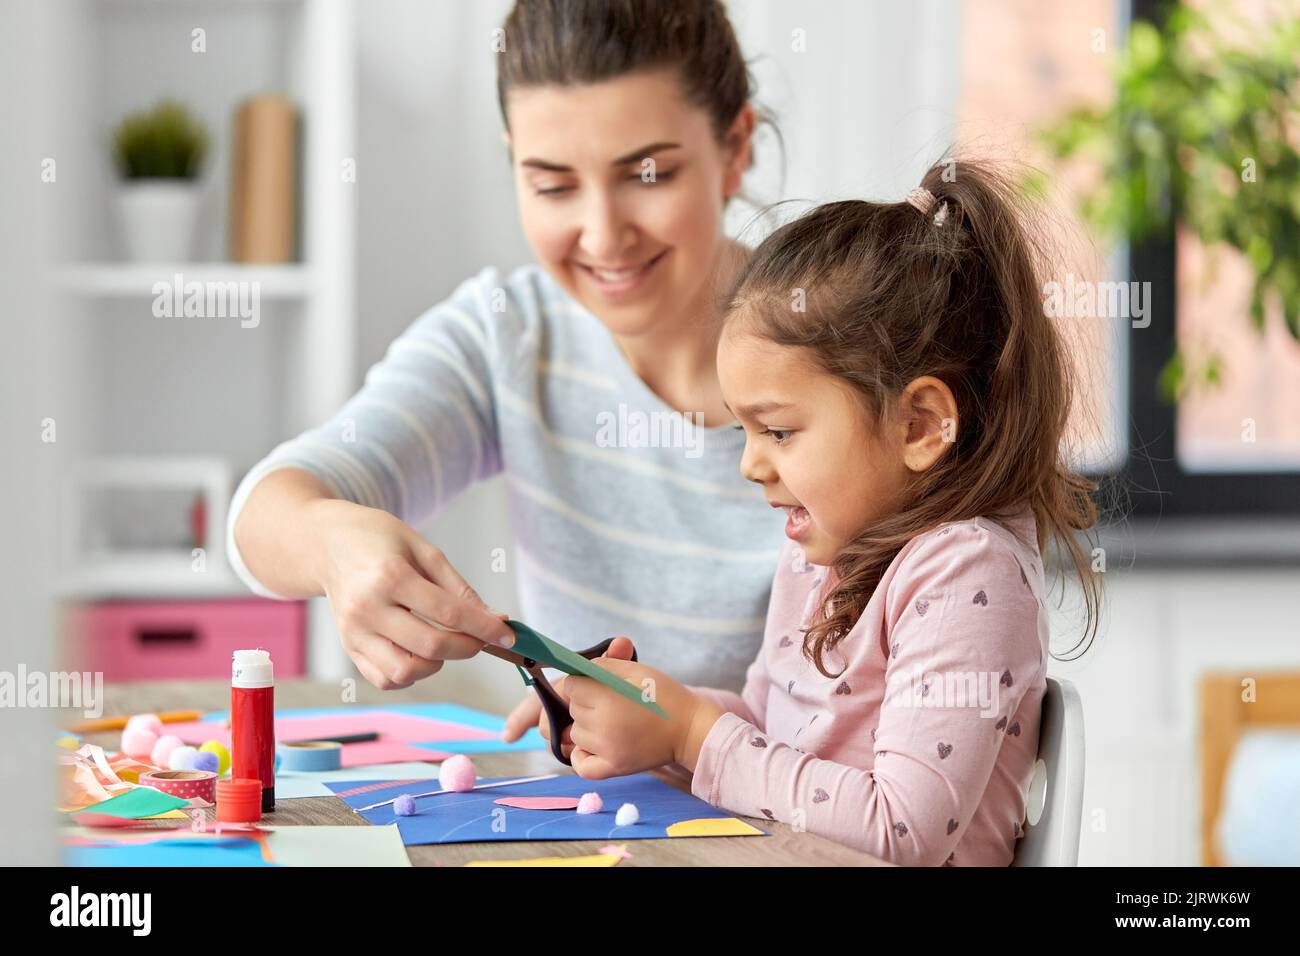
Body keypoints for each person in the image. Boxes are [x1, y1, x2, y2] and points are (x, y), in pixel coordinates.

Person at [226, 0, 785, 740]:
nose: (602, 234)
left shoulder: (847, 347)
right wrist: (336, 546)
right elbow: (260, 517)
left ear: (735, 146)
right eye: (553, 184)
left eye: (647, 176)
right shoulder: (508, 335)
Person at [542, 160, 1103, 865]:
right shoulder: (821, 556)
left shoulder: (966, 571)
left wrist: (691, 734)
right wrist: (649, 711)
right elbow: (769, 734)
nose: (750, 464)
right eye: (744, 431)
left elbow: (902, 830)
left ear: (921, 424)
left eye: (777, 431)